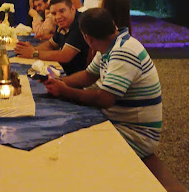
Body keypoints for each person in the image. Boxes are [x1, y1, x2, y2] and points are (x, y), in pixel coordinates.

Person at [44, 8, 162, 159]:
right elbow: (88, 75)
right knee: (63, 130)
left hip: (137, 135)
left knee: (69, 148)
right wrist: (59, 81)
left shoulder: (124, 51)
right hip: (118, 121)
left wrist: (65, 91)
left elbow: (105, 99)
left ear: (87, 38)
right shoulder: (110, 44)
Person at [15, 0, 89, 75]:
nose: (58, 17)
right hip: (65, 70)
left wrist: (34, 53)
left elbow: (65, 56)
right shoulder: (62, 22)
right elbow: (51, 44)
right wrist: (33, 49)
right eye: (54, 13)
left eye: (62, 11)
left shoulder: (80, 23)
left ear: (72, 9)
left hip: (77, 78)